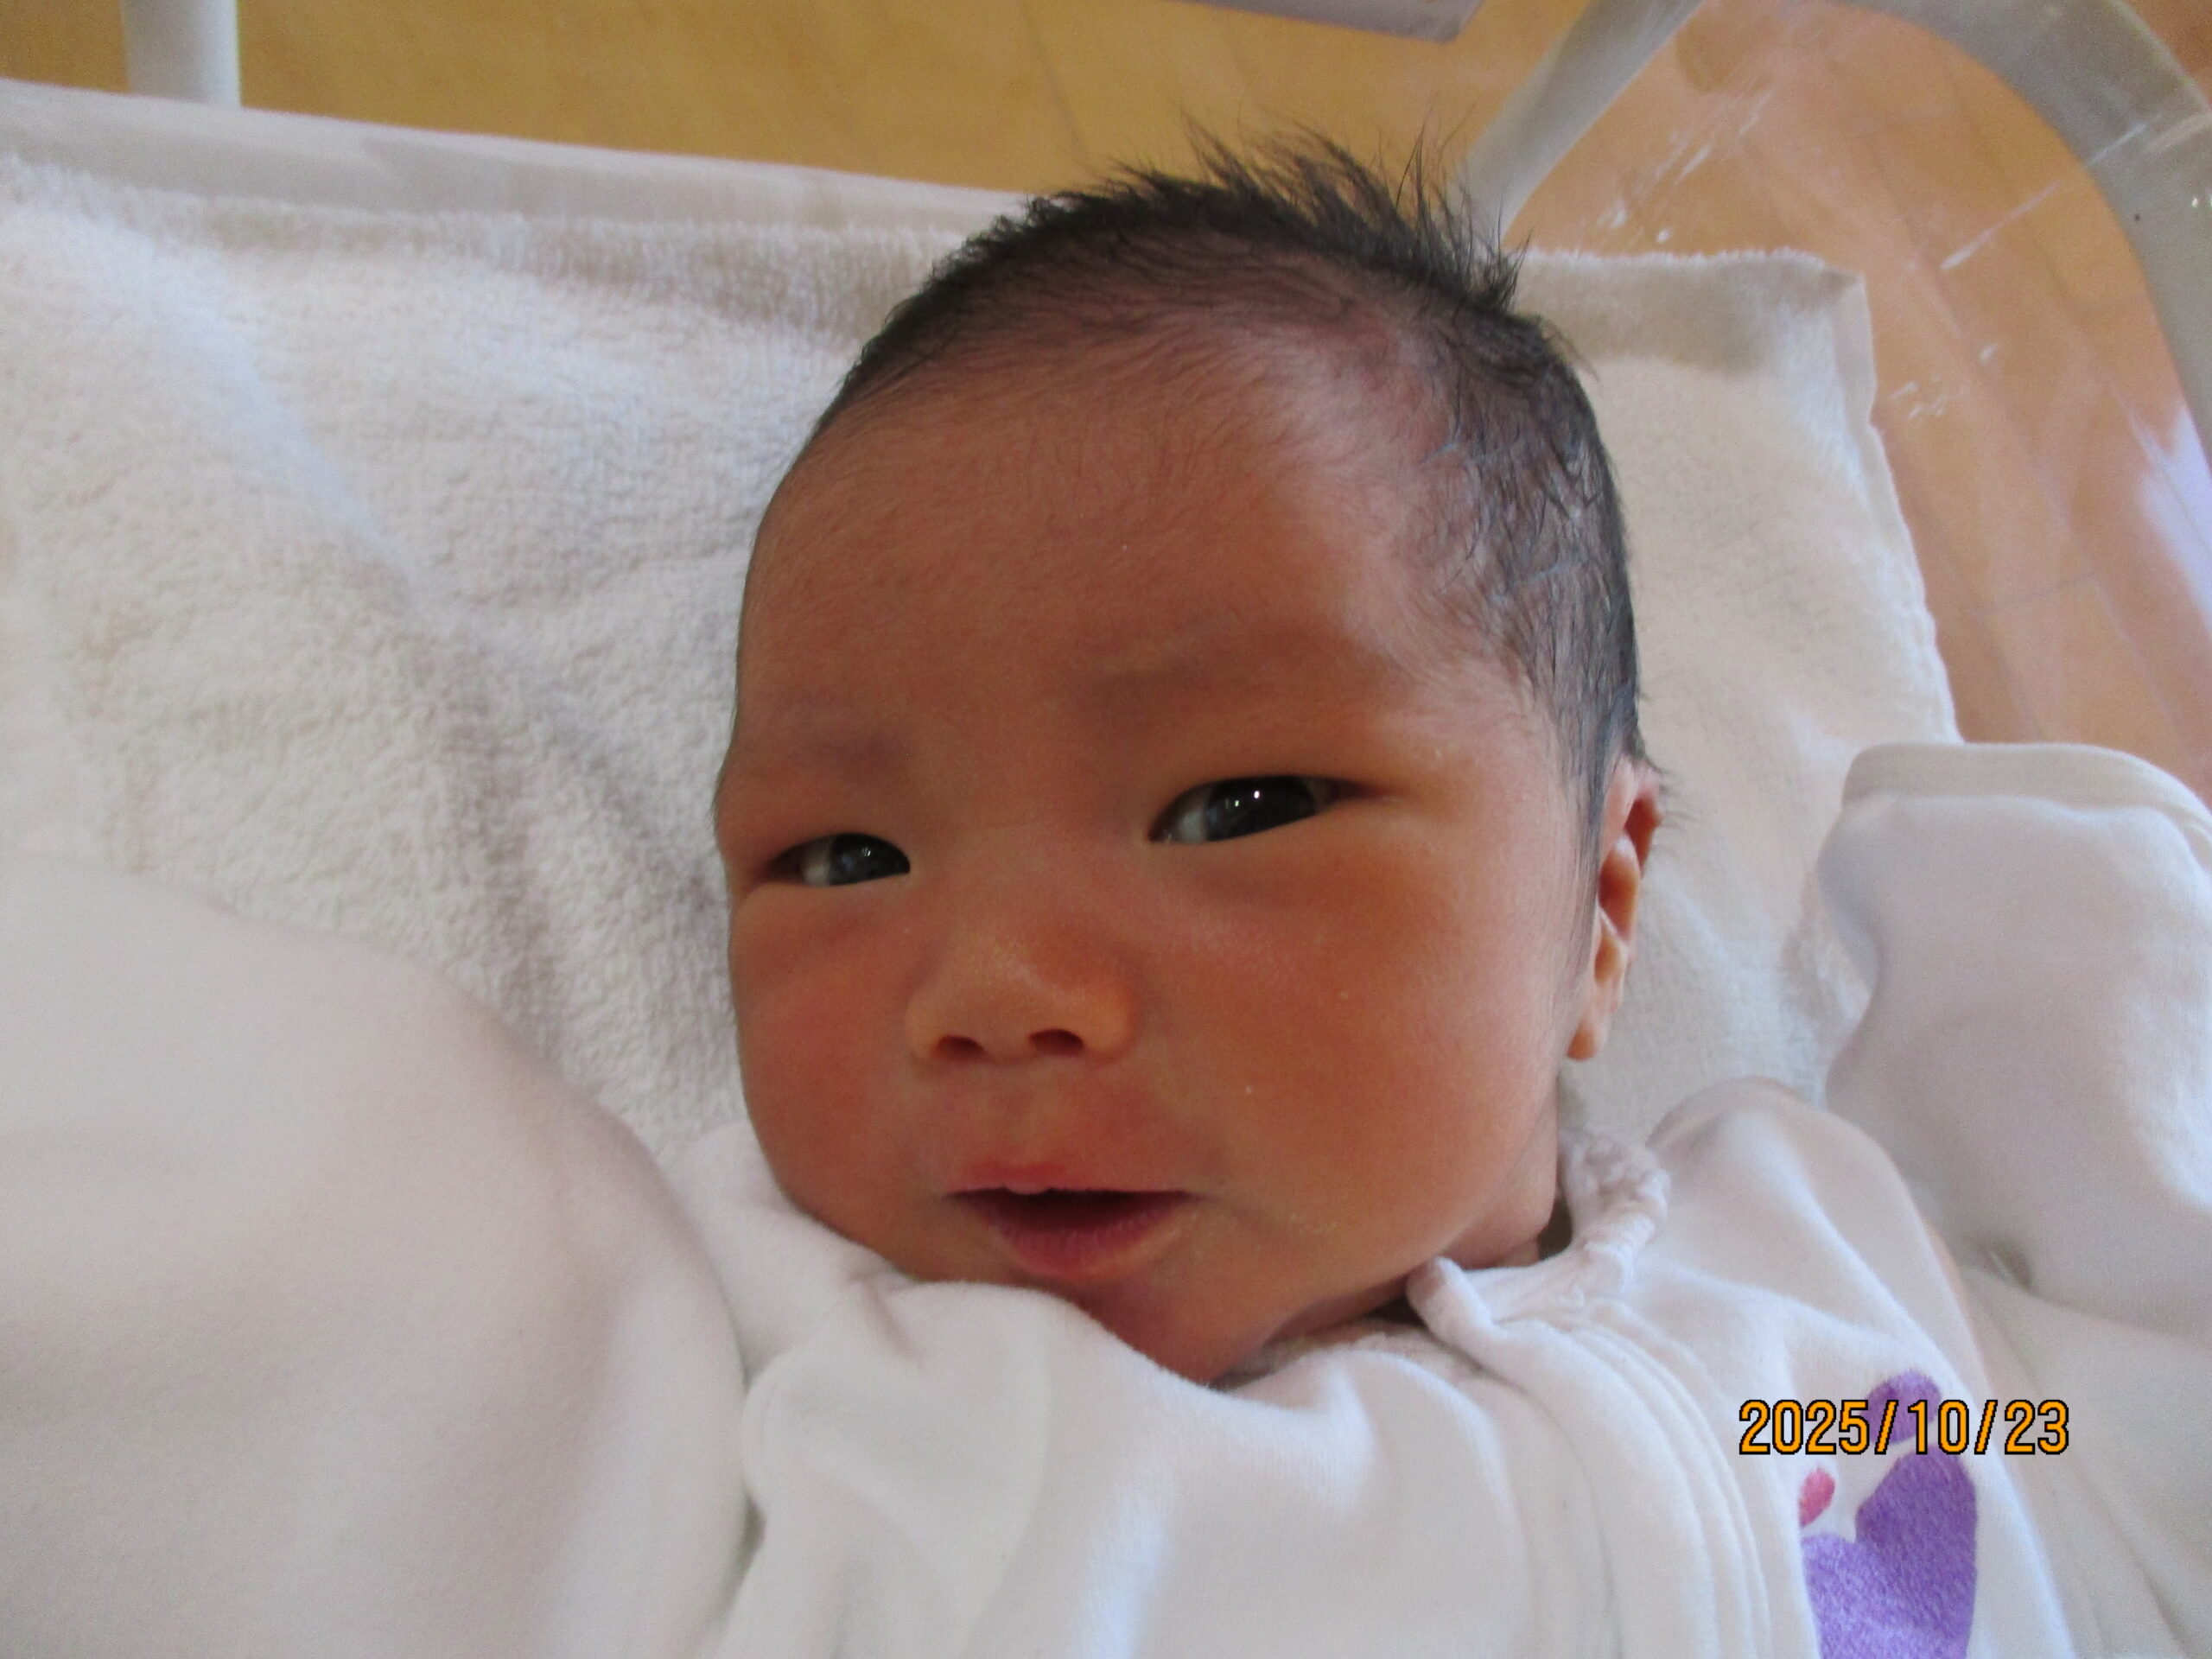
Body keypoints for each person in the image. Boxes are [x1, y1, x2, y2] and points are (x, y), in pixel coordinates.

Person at [688, 143, 2212, 1652]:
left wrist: (2085, 967)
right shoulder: (839, 1406)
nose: (996, 989)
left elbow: (2109, 1446)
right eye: (846, 859)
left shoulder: (1820, 1273)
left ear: (1601, 907)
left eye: (1239, 810)